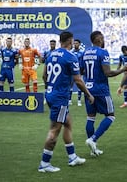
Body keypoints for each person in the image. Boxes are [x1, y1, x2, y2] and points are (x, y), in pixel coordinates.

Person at [39, 31, 94, 173]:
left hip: (51, 94)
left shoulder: (51, 54)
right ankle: (44, 163)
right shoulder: (71, 57)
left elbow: (44, 75)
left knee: (68, 123)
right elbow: (78, 80)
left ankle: (72, 157)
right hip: (60, 98)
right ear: (71, 41)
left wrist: (51, 87)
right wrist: (88, 95)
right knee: (54, 130)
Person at [81, 31, 127, 156]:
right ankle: (93, 139)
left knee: (90, 117)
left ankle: (93, 150)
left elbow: (81, 70)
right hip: (101, 89)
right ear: (99, 39)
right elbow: (108, 73)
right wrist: (123, 69)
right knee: (110, 116)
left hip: (88, 88)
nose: (104, 40)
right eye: (102, 38)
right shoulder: (103, 52)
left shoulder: (85, 53)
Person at [69, 39, 84, 106]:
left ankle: (79, 100)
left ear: (79, 44)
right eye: (74, 43)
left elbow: (83, 62)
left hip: (79, 71)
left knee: (80, 85)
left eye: (77, 43)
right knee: (70, 86)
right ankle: (69, 100)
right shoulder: (71, 52)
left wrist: (83, 70)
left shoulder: (82, 52)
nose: (75, 45)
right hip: (72, 71)